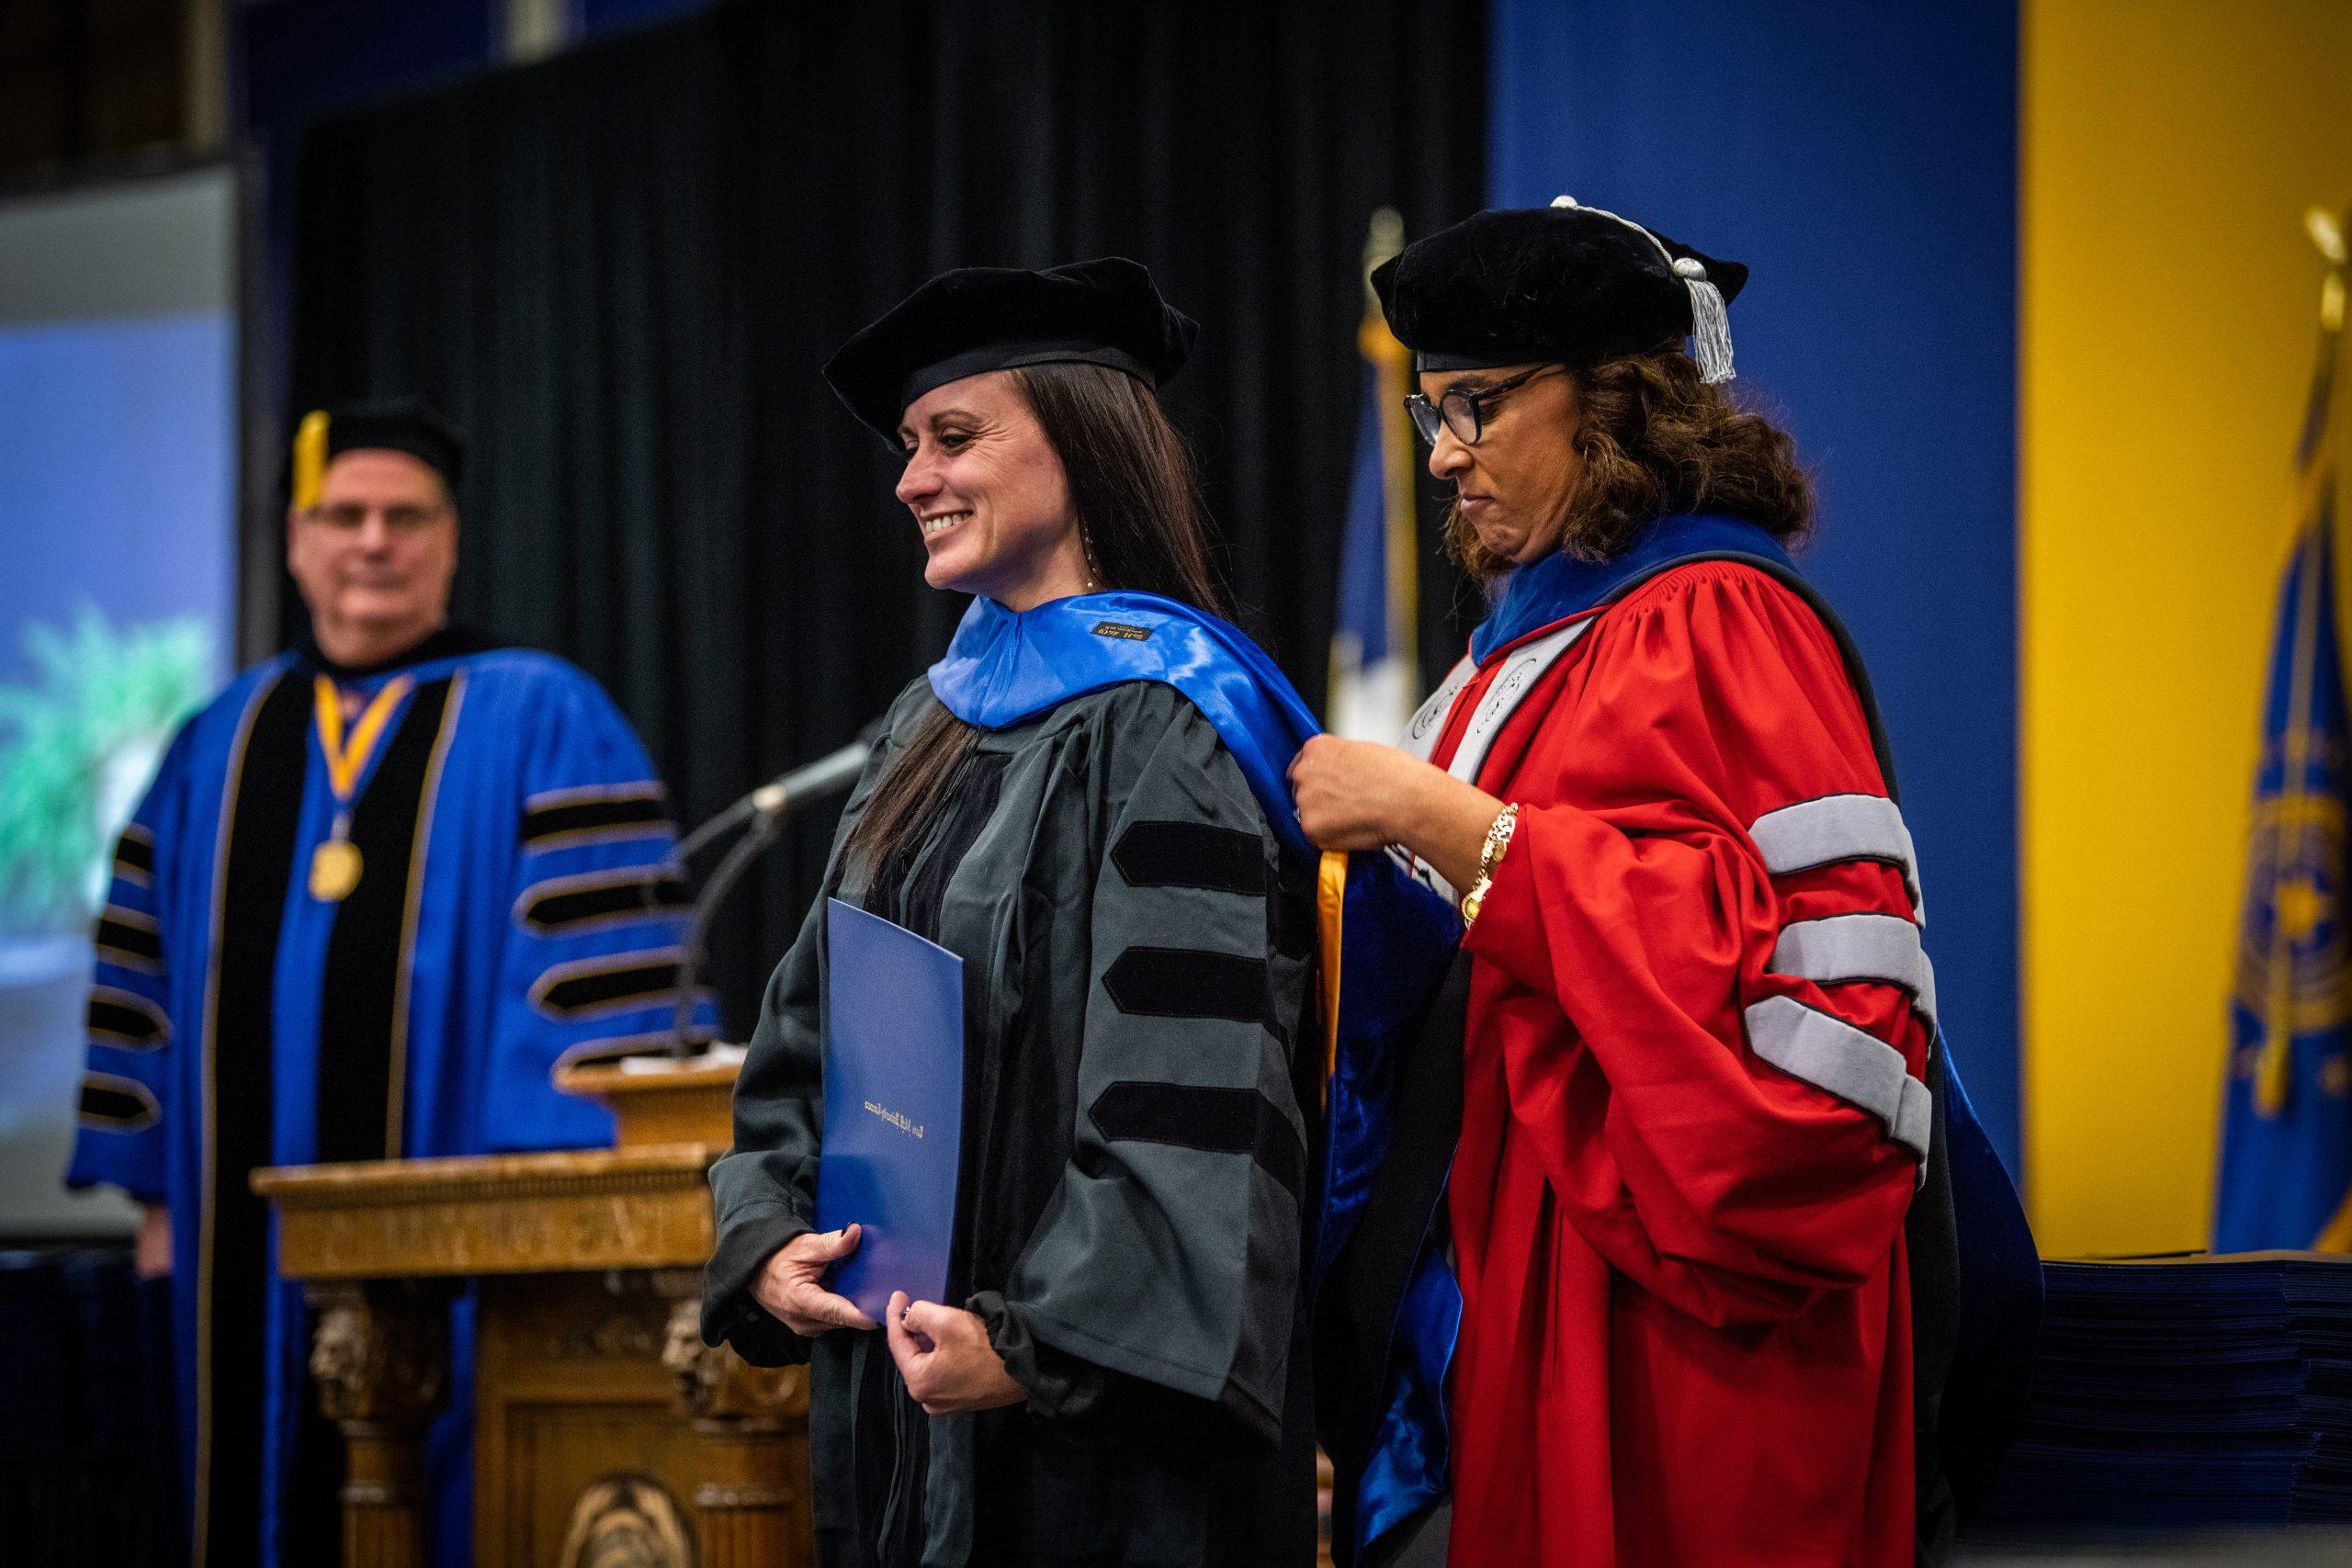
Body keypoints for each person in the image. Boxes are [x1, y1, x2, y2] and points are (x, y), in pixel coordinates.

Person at [1293, 199, 2034, 1567]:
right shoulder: (1527, 645)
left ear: (1613, 403)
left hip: (1685, 1336)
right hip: (1518, 1303)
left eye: (1478, 406)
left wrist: (1449, 824)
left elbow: (1816, 1000)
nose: (1447, 457)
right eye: (1430, 413)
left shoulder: (1721, 620)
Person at [702, 259, 1327, 1566]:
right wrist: (767, 1234)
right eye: (908, 445)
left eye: (954, 436)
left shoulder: (1171, 723)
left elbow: (1189, 1096)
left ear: (1085, 439)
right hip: (906, 1403)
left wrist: (1039, 1344)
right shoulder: (926, 722)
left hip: (1090, 1451)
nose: (911, 478)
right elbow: (806, 1026)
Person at [66, 398, 717, 1568]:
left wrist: (553, 1218)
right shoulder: (216, 738)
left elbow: (603, 1005)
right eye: (343, 515)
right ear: (296, 542)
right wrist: (154, 1203)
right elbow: (139, 990)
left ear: (450, 542)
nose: (374, 541)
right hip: (228, 1254)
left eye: (404, 517)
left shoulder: (542, 715)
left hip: (462, 1266)